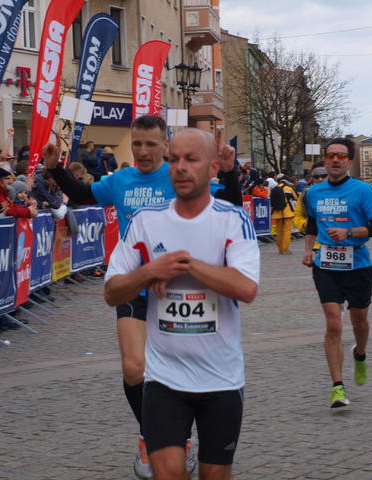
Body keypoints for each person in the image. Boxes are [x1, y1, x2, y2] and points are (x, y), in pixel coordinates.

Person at [41, 115, 240, 478]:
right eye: (137, 144)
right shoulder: (120, 180)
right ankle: (155, 437)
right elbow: (82, 194)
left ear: (165, 146)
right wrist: (54, 168)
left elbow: (228, 207)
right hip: (134, 284)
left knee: (184, 372)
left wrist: (229, 173)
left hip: (179, 291)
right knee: (135, 369)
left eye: (151, 144)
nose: (143, 151)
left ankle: (180, 437)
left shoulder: (180, 176)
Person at [104, 128, 259, 480]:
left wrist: (186, 266)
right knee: (167, 473)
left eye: (191, 159)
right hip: (164, 379)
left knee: (214, 474)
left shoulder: (232, 219)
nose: (181, 167)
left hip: (220, 378)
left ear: (213, 167)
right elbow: (112, 292)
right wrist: (149, 272)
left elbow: (246, 288)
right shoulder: (145, 221)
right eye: (174, 159)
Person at [302, 138, 372, 408]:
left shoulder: (362, 190)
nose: (335, 160)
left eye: (341, 156)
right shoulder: (313, 193)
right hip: (326, 265)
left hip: (358, 263)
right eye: (331, 156)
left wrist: (349, 232)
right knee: (334, 323)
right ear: (325, 160)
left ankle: (360, 354)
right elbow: (312, 224)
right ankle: (337, 387)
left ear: (349, 161)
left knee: (359, 322)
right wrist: (308, 250)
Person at [270, 173, 298, 255]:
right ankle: (285, 249)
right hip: (287, 212)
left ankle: (280, 248)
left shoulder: (274, 188)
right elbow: (296, 197)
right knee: (287, 231)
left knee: (279, 231)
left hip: (277, 212)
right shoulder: (288, 188)